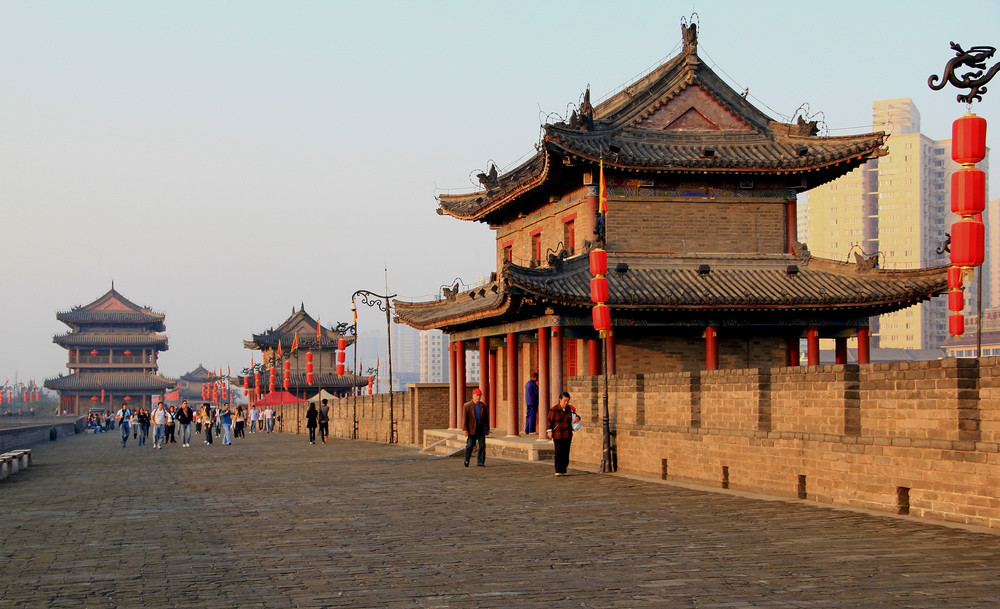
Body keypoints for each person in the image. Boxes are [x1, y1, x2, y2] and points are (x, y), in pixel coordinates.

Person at [546, 392, 580, 476]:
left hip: (567, 434)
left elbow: (577, 416)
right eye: (564, 401)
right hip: (558, 434)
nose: (566, 403)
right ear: (560, 400)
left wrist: (577, 418)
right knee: (559, 451)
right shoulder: (554, 409)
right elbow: (549, 421)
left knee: (566, 452)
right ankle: (558, 469)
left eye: (567, 401)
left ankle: (564, 469)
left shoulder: (570, 409)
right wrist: (549, 431)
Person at [461, 388, 490, 467]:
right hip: (472, 428)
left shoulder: (483, 406)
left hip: (481, 428)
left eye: (479, 395)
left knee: (482, 445)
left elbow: (486, 419)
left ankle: (480, 462)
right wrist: (465, 429)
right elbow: (464, 419)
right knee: (470, 445)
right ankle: (467, 459)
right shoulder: (467, 406)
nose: (478, 397)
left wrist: (487, 429)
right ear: (473, 396)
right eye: (477, 395)